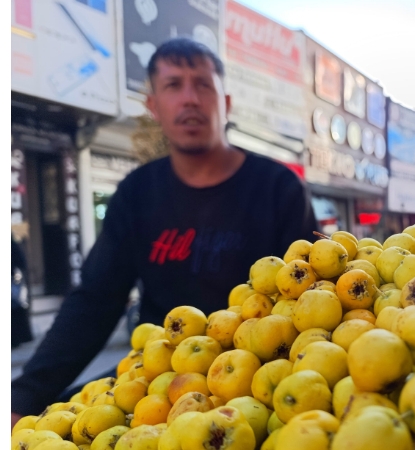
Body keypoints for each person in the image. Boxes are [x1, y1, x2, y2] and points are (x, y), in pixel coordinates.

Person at [11, 37, 319, 424]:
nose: (190, 98)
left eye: (203, 84)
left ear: (225, 103)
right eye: (173, 85)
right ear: (153, 106)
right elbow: (95, 300)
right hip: (155, 382)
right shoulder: (136, 193)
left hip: (257, 387)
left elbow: (312, 297)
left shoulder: (279, 188)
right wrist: (21, 396)